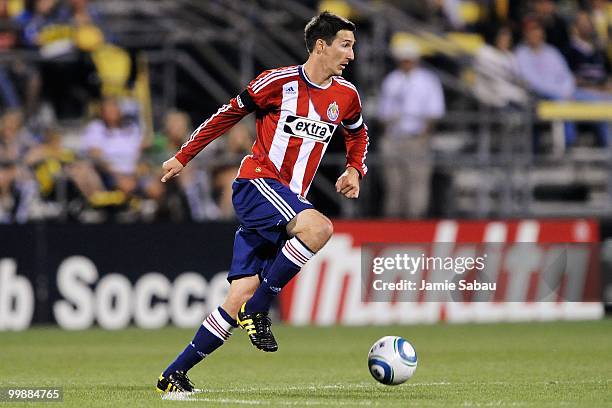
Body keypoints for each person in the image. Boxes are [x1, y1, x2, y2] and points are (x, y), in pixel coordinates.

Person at [156, 11, 368, 393]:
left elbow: (357, 134)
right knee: (319, 227)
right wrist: (183, 156)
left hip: (286, 201)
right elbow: (225, 116)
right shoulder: (277, 82)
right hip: (257, 184)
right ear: (321, 46)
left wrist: (354, 170)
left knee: (239, 294)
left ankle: (173, 374)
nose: (351, 55)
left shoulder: (346, 96)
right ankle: (261, 309)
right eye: (345, 45)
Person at [377, 39, 444, 218]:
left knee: (417, 184)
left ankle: (416, 222)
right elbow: (383, 113)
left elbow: (435, 111)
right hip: (394, 138)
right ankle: (393, 223)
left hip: (417, 138)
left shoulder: (427, 80)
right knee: (394, 184)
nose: (406, 62)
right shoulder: (392, 80)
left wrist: (424, 133)